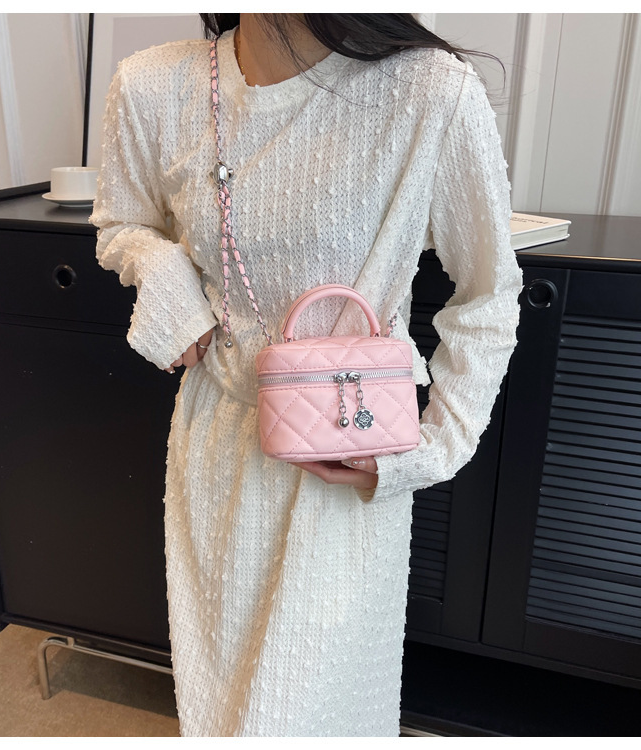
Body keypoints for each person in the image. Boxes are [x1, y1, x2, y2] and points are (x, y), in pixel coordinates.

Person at [89, 12, 525, 737]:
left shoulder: (429, 92)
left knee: (313, 715)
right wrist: (162, 270)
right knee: (220, 711)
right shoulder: (153, 85)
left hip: (347, 464)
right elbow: (121, 223)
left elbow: (489, 293)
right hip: (215, 452)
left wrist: (429, 449)